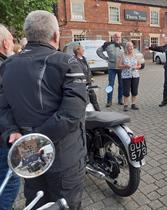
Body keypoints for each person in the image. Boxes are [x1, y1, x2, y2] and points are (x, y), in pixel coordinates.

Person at [0, 11, 87, 210]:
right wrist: (31, 137)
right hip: (63, 160)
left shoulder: (7, 65)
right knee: (66, 205)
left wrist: (12, 131)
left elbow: (2, 107)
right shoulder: (69, 63)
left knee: (35, 202)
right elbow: (71, 115)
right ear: (55, 36)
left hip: (29, 157)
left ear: (28, 34)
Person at [0, 24, 20, 210]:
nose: (14, 43)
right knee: (10, 183)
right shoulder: (6, 67)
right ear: (6, 43)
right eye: (12, 40)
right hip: (4, 137)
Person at [97, 32, 124, 107]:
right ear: (113, 37)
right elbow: (98, 51)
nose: (117, 38)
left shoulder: (122, 46)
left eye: (119, 37)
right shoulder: (107, 44)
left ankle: (120, 100)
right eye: (116, 37)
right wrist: (105, 58)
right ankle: (109, 101)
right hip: (111, 67)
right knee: (110, 85)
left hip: (120, 67)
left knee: (121, 84)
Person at [73, 45, 100, 111]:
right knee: (84, 99)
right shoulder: (74, 60)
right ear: (77, 50)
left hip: (88, 82)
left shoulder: (84, 58)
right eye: (82, 49)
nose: (83, 50)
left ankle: (98, 112)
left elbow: (88, 69)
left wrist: (91, 77)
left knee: (93, 97)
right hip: (81, 83)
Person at [117, 42, 141, 111]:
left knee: (134, 90)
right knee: (126, 91)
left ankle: (133, 104)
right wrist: (125, 66)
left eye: (131, 46)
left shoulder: (136, 55)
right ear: (126, 48)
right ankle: (125, 105)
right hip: (126, 76)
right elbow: (118, 65)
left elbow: (139, 65)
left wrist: (136, 67)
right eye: (128, 46)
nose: (130, 48)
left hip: (135, 75)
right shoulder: (123, 55)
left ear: (133, 47)